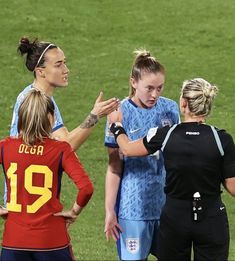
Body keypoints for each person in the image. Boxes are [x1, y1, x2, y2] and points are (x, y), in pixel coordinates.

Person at [109, 77, 235, 261]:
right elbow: (233, 187)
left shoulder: (165, 135)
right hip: (211, 218)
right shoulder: (222, 139)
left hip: (175, 218)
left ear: (183, 103)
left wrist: (117, 126)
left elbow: (127, 149)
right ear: (208, 105)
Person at [4, 37, 118, 204]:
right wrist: (94, 116)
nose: (66, 70)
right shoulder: (33, 102)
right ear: (40, 71)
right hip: (27, 202)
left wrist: (95, 116)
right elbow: (66, 147)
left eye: (64, 63)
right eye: (58, 65)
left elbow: (64, 142)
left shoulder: (43, 98)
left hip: (33, 197)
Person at [0, 89, 94, 261]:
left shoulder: (5, 147)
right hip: (51, 240)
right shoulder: (60, 150)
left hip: (14, 241)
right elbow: (86, 188)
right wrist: (74, 211)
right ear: (50, 118)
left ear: (22, 117)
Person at [104, 49, 180, 261]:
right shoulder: (119, 114)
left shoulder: (170, 109)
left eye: (159, 88)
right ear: (134, 82)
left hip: (166, 207)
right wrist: (110, 210)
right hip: (133, 209)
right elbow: (114, 167)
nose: (155, 95)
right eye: (149, 88)